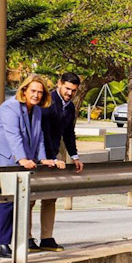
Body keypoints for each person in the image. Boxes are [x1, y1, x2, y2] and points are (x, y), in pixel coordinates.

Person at [0, 75, 65, 257]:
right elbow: (13, 135)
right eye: (33, 91)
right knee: (8, 199)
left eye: (40, 92)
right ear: (24, 90)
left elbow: (38, 137)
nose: (36, 95)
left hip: (13, 158)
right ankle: (2, 244)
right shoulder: (11, 107)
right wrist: (22, 159)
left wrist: (42, 159)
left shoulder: (37, 111)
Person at [30, 72, 83, 251]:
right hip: (37, 154)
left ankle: (47, 237)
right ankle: (27, 237)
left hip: (53, 153)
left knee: (50, 197)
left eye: (73, 90)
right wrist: (46, 157)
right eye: (67, 88)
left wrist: (74, 156)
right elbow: (41, 132)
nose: (69, 93)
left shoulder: (69, 107)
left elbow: (68, 133)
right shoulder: (47, 101)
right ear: (59, 84)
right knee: (29, 198)